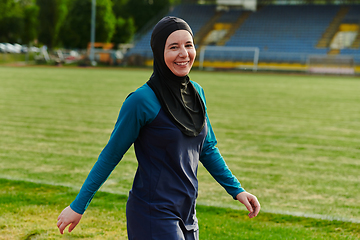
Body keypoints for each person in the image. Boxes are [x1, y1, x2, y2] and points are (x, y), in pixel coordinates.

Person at [57, 16, 260, 239]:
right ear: (158, 52)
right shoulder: (142, 100)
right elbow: (111, 155)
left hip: (188, 212)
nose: (183, 53)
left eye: (188, 45)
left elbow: (207, 149)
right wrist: (78, 206)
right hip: (152, 213)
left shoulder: (197, 93)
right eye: (173, 47)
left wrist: (237, 190)